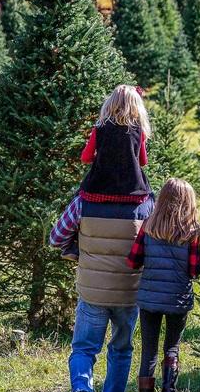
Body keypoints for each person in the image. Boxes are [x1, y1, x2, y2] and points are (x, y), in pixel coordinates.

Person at [47, 85, 154, 392]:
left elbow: (56, 237)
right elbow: (153, 246)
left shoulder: (84, 200)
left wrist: (75, 251)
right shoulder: (145, 204)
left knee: (84, 348)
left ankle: (81, 391)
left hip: (92, 291)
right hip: (129, 292)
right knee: (121, 352)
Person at [126, 178, 200, 392]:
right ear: (189, 202)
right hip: (178, 299)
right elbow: (194, 271)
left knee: (148, 352)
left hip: (149, 299)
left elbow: (133, 261)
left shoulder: (148, 226)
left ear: (162, 200)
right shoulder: (193, 232)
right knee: (172, 348)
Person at [50, 85, 152, 261]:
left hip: (98, 189)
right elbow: (143, 161)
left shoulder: (100, 127)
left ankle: (70, 246)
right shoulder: (138, 131)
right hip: (133, 192)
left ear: (110, 103)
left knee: (78, 197)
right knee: (152, 199)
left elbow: (86, 157)